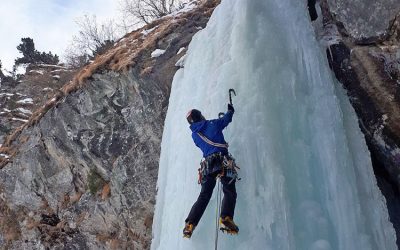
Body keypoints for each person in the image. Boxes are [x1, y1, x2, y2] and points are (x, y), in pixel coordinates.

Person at [183, 104, 239, 238]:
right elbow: (225, 120)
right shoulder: (212, 124)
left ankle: (190, 223)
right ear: (200, 116)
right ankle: (226, 217)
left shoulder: (195, 136)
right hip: (222, 161)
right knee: (229, 190)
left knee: (204, 196)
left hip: (207, 166)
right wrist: (230, 111)